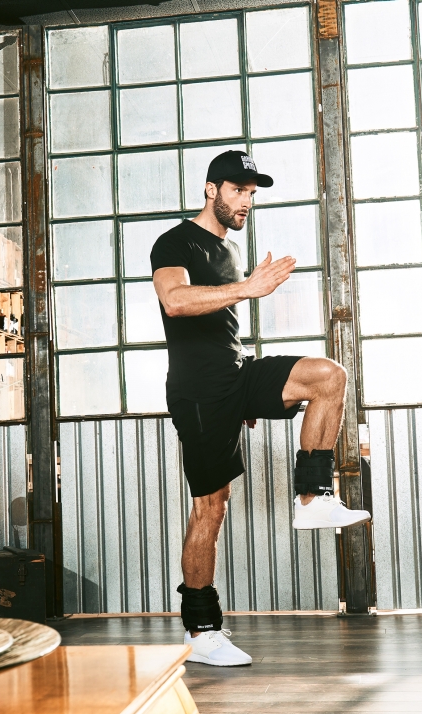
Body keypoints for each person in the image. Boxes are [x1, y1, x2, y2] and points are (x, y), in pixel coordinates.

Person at [150, 150, 370, 667]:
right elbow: (175, 301)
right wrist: (249, 287)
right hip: (199, 393)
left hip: (235, 375)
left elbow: (220, 326)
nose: (246, 201)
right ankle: (202, 632)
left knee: (328, 376)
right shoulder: (175, 241)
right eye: (238, 190)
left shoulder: (228, 250)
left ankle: (312, 497)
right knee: (211, 507)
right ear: (211, 190)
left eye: (252, 193)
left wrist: (246, 392)